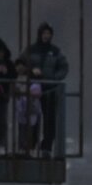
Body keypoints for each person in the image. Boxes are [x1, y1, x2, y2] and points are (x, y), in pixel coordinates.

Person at [26, 22, 68, 156]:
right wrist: (32, 71)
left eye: (49, 34)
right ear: (40, 34)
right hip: (34, 89)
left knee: (50, 119)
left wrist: (54, 78)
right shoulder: (31, 50)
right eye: (44, 33)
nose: (46, 36)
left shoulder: (55, 51)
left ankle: (46, 147)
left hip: (50, 89)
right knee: (33, 119)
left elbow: (64, 67)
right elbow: (21, 65)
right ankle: (31, 145)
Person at [13, 56, 42, 155]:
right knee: (22, 129)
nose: (19, 69)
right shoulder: (15, 78)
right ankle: (22, 148)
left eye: (21, 67)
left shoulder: (32, 77)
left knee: (32, 130)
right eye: (17, 67)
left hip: (31, 107)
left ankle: (30, 148)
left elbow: (36, 90)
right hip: (21, 109)